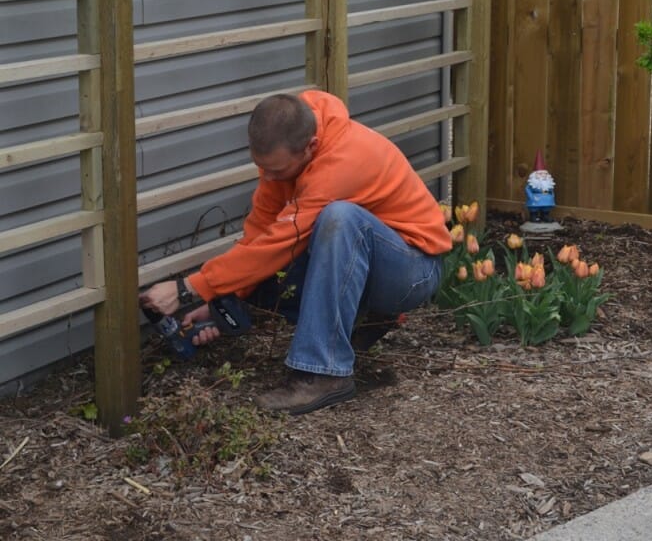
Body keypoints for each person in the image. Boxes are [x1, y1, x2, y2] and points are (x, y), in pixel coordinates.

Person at [139, 90, 452, 415]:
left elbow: (281, 243)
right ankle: (367, 319)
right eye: (262, 168)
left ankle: (325, 373)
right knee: (267, 270)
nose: (269, 177)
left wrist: (186, 287)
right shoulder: (289, 150)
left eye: (276, 170)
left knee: (339, 219)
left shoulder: (343, 162)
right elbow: (260, 237)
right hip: (368, 264)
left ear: (311, 147)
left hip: (413, 271)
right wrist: (219, 300)